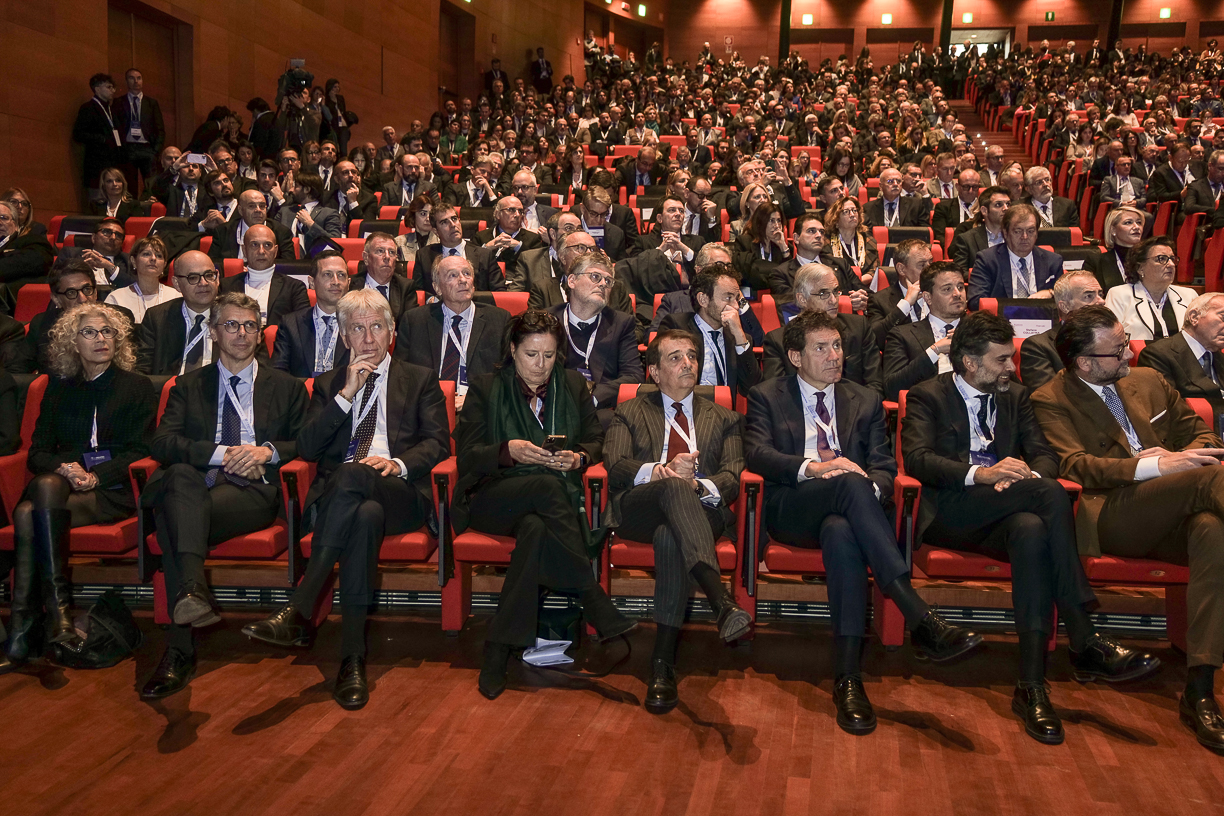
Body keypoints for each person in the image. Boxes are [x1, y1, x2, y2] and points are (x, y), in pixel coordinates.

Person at [902, 311, 1159, 745]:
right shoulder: (928, 395)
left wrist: (1025, 477)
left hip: (1008, 508)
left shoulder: (1016, 396)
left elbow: (1043, 455)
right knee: (1046, 496)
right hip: (951, 512)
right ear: (969, 362)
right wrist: (981, 475)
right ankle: (1083, 634)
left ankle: (1032, 686)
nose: (1011, 367)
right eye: (1001, 360)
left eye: (1011, 358)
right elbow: (918, 459)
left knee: (1031, 530)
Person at [746, 310, 982, 732]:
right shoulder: (767, 394)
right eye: (821, 348)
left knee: (842, 530)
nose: (834, 355)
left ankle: (848, 678)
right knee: (846, 482)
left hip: (850, 511)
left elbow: (883, 467)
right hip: (794, 506)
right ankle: (916, 612)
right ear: (796, 357)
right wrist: (815, 468)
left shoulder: (865, 399)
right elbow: (758, 454)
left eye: (838, 346)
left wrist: (863, 491)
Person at [1031, 305, 1224, 753]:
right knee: (1208, 481)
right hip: (1113, 512)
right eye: (1117, 351)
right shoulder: (1050, 398)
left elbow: (1206, 437)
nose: (1130, 354)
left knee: (1213, 530)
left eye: (1125, 344)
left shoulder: (1150, 381)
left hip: (1178, 503)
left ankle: (1200, 690)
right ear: (1084, 362)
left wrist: (1177, 458)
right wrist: (1152, 466)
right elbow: (1076, 465)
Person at [244, 287, 448, 708]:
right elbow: (307, 448)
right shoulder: (328, 384)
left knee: (357, 479)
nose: (368, 338)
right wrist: (345, 396)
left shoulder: (420, 378)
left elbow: (437, 443)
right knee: (363, 515)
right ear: (343, 336)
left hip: (400, 494)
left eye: (377, 327)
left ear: (392, 331)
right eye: (357, 329)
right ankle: (352, 660)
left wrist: (399, 463)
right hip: (346, 499)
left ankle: (302, 603)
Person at [453, 310, 636, 700]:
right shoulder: (486, 387)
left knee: (535, 531)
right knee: (545, 487)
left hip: (548, 509)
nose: (540, 365)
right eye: (531, 354)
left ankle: (497, 650)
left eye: (549, 356)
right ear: (513, 350)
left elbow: (595, 440)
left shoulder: (572, 385)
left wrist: (578, 458)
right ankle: (593, 600)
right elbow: (467, 458)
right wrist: (508, 451)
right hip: (493, 498)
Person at [139, 292, 308, 698]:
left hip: (252, 491)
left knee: (174, 519)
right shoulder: (187, 385)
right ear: (213, 332)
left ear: (260, 334)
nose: (242, 333)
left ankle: (180, 647)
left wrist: (267, 452)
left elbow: (308, 441)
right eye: (231, 325)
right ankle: (191, 598)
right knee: (180, 477)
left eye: (250, 325)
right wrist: (221, 454)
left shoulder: (287, 387)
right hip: (198, 484)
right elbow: (163, 442)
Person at [602, 329, 753, 712]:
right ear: (653, 371)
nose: (688, 364)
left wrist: (697, 485)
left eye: (692, 356)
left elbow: (733, 475)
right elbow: (616, 466)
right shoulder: (629, 411)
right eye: (675, 358)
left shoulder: (726, 418)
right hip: (641, 508)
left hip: (700, 512)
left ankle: (662, 662)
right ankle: (719, 600)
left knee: (671, 537)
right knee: (672, 486)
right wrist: (660, 471)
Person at [0, 303, 155, 675]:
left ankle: (28, 627)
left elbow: (141, 450)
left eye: (107, 332)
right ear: (73, 342)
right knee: (46, 485)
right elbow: (37, 452)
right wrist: (66, 469)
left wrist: (96, 476)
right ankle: (56, 616)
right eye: (89, 332)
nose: (100, 339)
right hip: (63, 487)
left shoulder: (137, 386)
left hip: (113, 489)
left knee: (27, 514)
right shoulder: (59, 387)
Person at [395, 254, 509, 411]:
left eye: (467, 273)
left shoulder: (499, 320)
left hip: (481, 407)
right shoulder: (415, 321)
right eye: (453, 275)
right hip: (428, 406)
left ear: (473, 284)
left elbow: (508, 373)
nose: (462, 280)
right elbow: (401, 374)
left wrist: (473, 397)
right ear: (437, 288)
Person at [547, 251, 643, 427]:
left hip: (600, 410)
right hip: (553, 404)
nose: (603, 284)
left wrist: (594, 397)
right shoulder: (548, 320)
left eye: (608, 281)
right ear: (572, 281)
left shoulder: (621, 323)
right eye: (595, 277)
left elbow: (633, 375)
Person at [765, 263, 883, 396]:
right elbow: (775, 394)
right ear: (802, 299)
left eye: (835, 292)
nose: (833, 300)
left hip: (855, 405)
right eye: (823, 293)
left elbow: (875, 384)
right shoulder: (777, 340)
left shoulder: (859, 327)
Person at [657, 265, 761, 397]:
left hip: (724, 409)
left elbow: (751, 389)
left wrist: (740, 337)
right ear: (703, 300)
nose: (735, 306)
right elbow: (665, 380)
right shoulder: (676, 326)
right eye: (728, 298)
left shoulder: (738, 338)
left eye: (737, 299)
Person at [137, 251, 224, 380]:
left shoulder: (235, 318)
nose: (204, 283)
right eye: (193, 278)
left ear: (217, 278)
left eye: (209, 275)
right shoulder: (157, 318)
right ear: (177, 284)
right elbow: (142, 372)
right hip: (169, 389)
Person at [1137, 292, 1224, 415]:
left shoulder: (1219, 357)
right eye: (1223, 317)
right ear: (1194, 317)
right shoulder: (1157, 355)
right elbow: (1168, 411)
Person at [272, 250, 352, 378]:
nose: (336, 281)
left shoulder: (360, 323)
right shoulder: (291, 324)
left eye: (341, 275)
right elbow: (278, 373)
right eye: (327, 274)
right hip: (300, 389)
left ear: (349, 283)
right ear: (312, 282)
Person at [1020, 271, 1105, 390]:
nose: (1101, 301)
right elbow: (1047, 395)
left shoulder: (1114, 339)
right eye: (1088, 296)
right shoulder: (1038, 347)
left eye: (1100, 294)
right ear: (1065, 307)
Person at [967, 204, 1062, 309]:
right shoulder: (988, 260)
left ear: (1036, 233)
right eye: (1018, 231)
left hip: (1041, 317)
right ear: (1005, 233)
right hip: (1001, 317)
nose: (1025, 237)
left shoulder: (1052, 261)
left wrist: (1051, 293)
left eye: (1030, 231)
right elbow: (975, 301)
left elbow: (1066, 297)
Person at [1103, 236, 1195, 341]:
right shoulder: (1119, 295)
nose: (1171, 264)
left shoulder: (1188, 295)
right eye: (1161, 259)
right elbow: (1110, 339)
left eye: (1172, 259)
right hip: (1138, 352)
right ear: (1140, 268)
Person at [218, 224, 310, 326]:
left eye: (267, 245)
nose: (261, 251)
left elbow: (303, 326)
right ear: (244, 250)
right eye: (254, 244)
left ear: (275, 251)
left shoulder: (294, 287)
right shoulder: (225, 286)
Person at [411, 204, 505, 296]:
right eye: (444, 222)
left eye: (454, 219)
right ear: (435, 231)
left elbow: (499, 292)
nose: (452, 225)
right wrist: (430, 299)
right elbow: (417, 291)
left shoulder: (484, 255)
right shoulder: (424, 256)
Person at [769, 212, 864, 302]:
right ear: (796, 238)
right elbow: (791, 305)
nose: (819, 235)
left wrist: (861, 299)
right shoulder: (780, 274)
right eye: (811, 231)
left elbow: (867, 294)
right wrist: (845, 301)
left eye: (821, 232)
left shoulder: (841, 264)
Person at [867, 239, 934, 349]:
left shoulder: (941, 293)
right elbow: (875, 338)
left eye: (931, 263)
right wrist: (906, 304)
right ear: (901, 269)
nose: (930, 270)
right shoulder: (879, 300)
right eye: (922, 265)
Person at [104, 235, 181, 323]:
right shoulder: (116, 298)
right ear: (133, 261)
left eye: (159, 256)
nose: (153, 258)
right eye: (146, 254)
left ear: (164, 264)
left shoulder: (176, 297)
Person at [206, 189, 295, 262]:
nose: (258, 210)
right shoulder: (223, 231)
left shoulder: (281, 232)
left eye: (262, 206)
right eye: (251, 206)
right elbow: (214, 263)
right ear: (240, 210)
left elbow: (288, 266)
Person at [114, 68, 165, 194]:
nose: (136, 81)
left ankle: (150, 206)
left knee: (151, 186)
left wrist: (156, 151)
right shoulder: (118, 102)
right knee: (128, 186)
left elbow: (160, 128)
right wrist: (120, 148)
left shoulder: (151, 103)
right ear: (126, 81)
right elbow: (116, 127)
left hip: (147, 148)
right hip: (128, 148)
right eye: (132, 78)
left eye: (139, 78)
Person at [71, 74, 122, 199]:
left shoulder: (111, 109)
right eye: (109, 87)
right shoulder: (88, 108)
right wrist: (102, 139)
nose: (113, 90)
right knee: (98, 200)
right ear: (97, 89)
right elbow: (78, 134)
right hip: (97, 164)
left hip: (113, 162)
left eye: (113, 87)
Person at [350, 232, 420, 322]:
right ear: (366, 257)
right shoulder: (350, 285)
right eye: (380, 251)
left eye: (391, 252)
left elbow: (410, 324)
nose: (387, 257)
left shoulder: (405, 287)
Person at [56, 217, 135, 292]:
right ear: (93, 237)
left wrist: (109, 266)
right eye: (106, 232)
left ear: (122, 243)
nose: (113, 237)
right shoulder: (70, 254)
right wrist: (81, 268)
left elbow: (136, 288)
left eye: (118, 235)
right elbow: (55, 281)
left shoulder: (128, 260)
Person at [274, 171, 342, 256]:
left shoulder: (329, 213)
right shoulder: (284, 211)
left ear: (307, 189)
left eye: (296, 186)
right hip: (286, 261)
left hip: (315, 260)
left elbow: (335, 243)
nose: (291, 190)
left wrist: (310, 224)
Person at [1084, 205, 1145, 291]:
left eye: (1139, 222)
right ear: (1113, 230)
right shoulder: (1096, 261)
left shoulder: (1149, 258)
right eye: (1128, 222)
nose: (1136, 227)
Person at [473, 195, 544, 264]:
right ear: (498, 214)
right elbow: (471, 262)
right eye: (511, 210)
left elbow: (537, 264)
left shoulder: (533, 239)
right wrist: (485, 249)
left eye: (520, 211)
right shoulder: (480, 237)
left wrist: (518, 246)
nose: (517, 215)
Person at [822, 197, 877, 286]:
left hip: (864, 287)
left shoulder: (869, 240)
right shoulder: (826, 243)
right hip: (837, 288)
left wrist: (856, 283)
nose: (852, 214)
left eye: (854, 210)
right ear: (836, 219)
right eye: (846, 212)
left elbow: (874, 270)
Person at [863, 168, 927, 228]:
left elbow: (925, 230)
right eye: (890, 181)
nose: (895, 184)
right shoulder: (868, 208)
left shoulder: (915, 205)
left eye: (898, 181)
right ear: (881, 186)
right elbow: (866, 232)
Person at [932, 169, 982, 239]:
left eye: (975, 187)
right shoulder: (943, 207)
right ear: (957, 187)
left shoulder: (984, 208)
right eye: (966, 186)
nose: (970, 191)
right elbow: (940, 236)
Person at [394, 195, 440, 268]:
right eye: (423, 214)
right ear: (413, 216)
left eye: (431, 214)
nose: (428, 219)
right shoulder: (399, 242)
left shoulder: (441, 241)